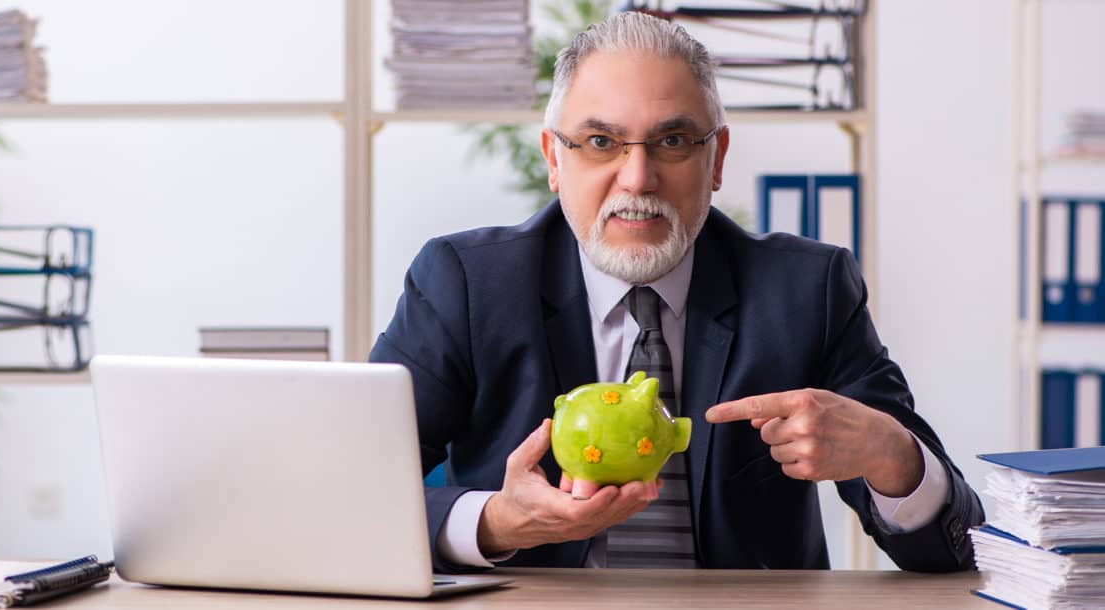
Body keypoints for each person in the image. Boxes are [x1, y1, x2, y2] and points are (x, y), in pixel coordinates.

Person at [369, 11, 983, 572]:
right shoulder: (466, 283)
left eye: (672, 141)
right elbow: (352, 489)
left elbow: (955, 550)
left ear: (715, 158)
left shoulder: (806, 290)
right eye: (602, 142)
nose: (638, 179)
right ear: (554, 159)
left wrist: (894, 459)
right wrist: (494, 524)